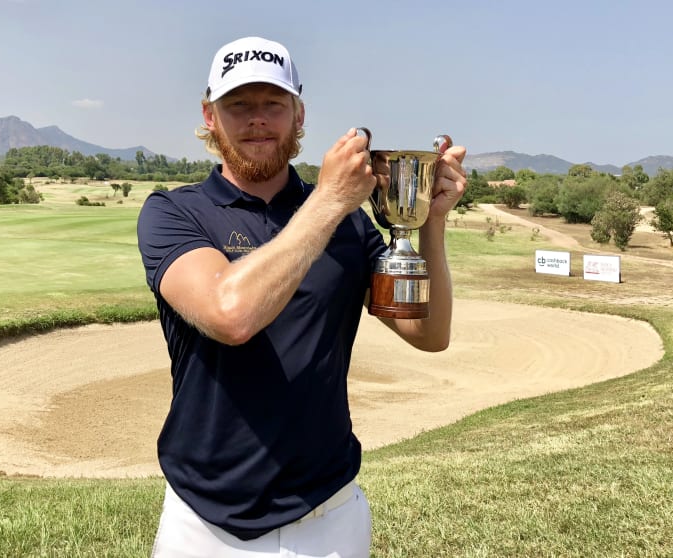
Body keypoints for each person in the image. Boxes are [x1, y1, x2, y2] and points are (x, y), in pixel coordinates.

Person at [137, 36, 467, 557]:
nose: (257, 120)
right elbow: (231, 314)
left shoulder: (350, 226)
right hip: (202, 523)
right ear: (210, 114)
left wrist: (432, 222)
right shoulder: (174, 213)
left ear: (298, 113)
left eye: (273, 104)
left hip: (328, 515)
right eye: (238, 105)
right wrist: (331, 200)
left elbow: (428, 334)